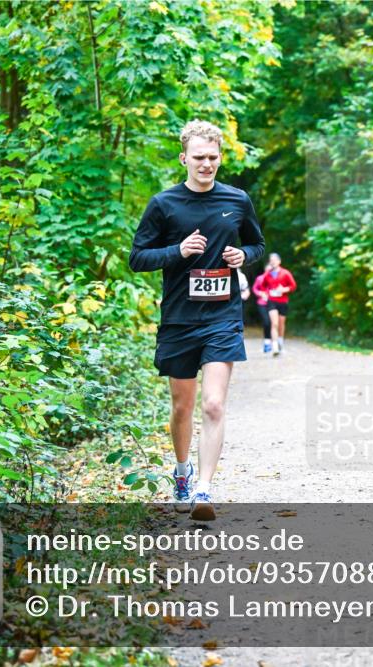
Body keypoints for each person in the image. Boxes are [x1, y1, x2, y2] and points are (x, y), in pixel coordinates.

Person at [129, 119, 265, 521]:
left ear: (221, 158)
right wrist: (178, 251)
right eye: (199, 158)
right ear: (184, 158)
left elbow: (256, 243)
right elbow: (138, 259)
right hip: (179, 318)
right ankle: (183, 473)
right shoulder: (164, 204)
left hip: (222, 317)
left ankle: (204, 487)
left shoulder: (237, 200)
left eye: (213, 158)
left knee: (214, 403)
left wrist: (246, 257)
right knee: (182, 406)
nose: (206, 164)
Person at [260, 252, 296, 356]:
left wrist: (284, 289)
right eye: (271, 260)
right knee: (274, 323)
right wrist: (264, 294)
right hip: (271, 301)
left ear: (279, 261)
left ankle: (280, 343)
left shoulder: (285, 273)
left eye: (274, 259)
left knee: (281, 324)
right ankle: (275, 347)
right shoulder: (267, 274)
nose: (273, 261)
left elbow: (293, 286)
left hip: (283, 301)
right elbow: (262, 287)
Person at [251, 267, 273, 353]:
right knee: (267, 322)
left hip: (273, 303)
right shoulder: (260, 278)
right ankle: (267, 343)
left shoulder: (274, 279)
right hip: (262, 303)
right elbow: (254, 288)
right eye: (268, 269)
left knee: (274, 323)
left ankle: (274, 343)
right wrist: (260, 293)